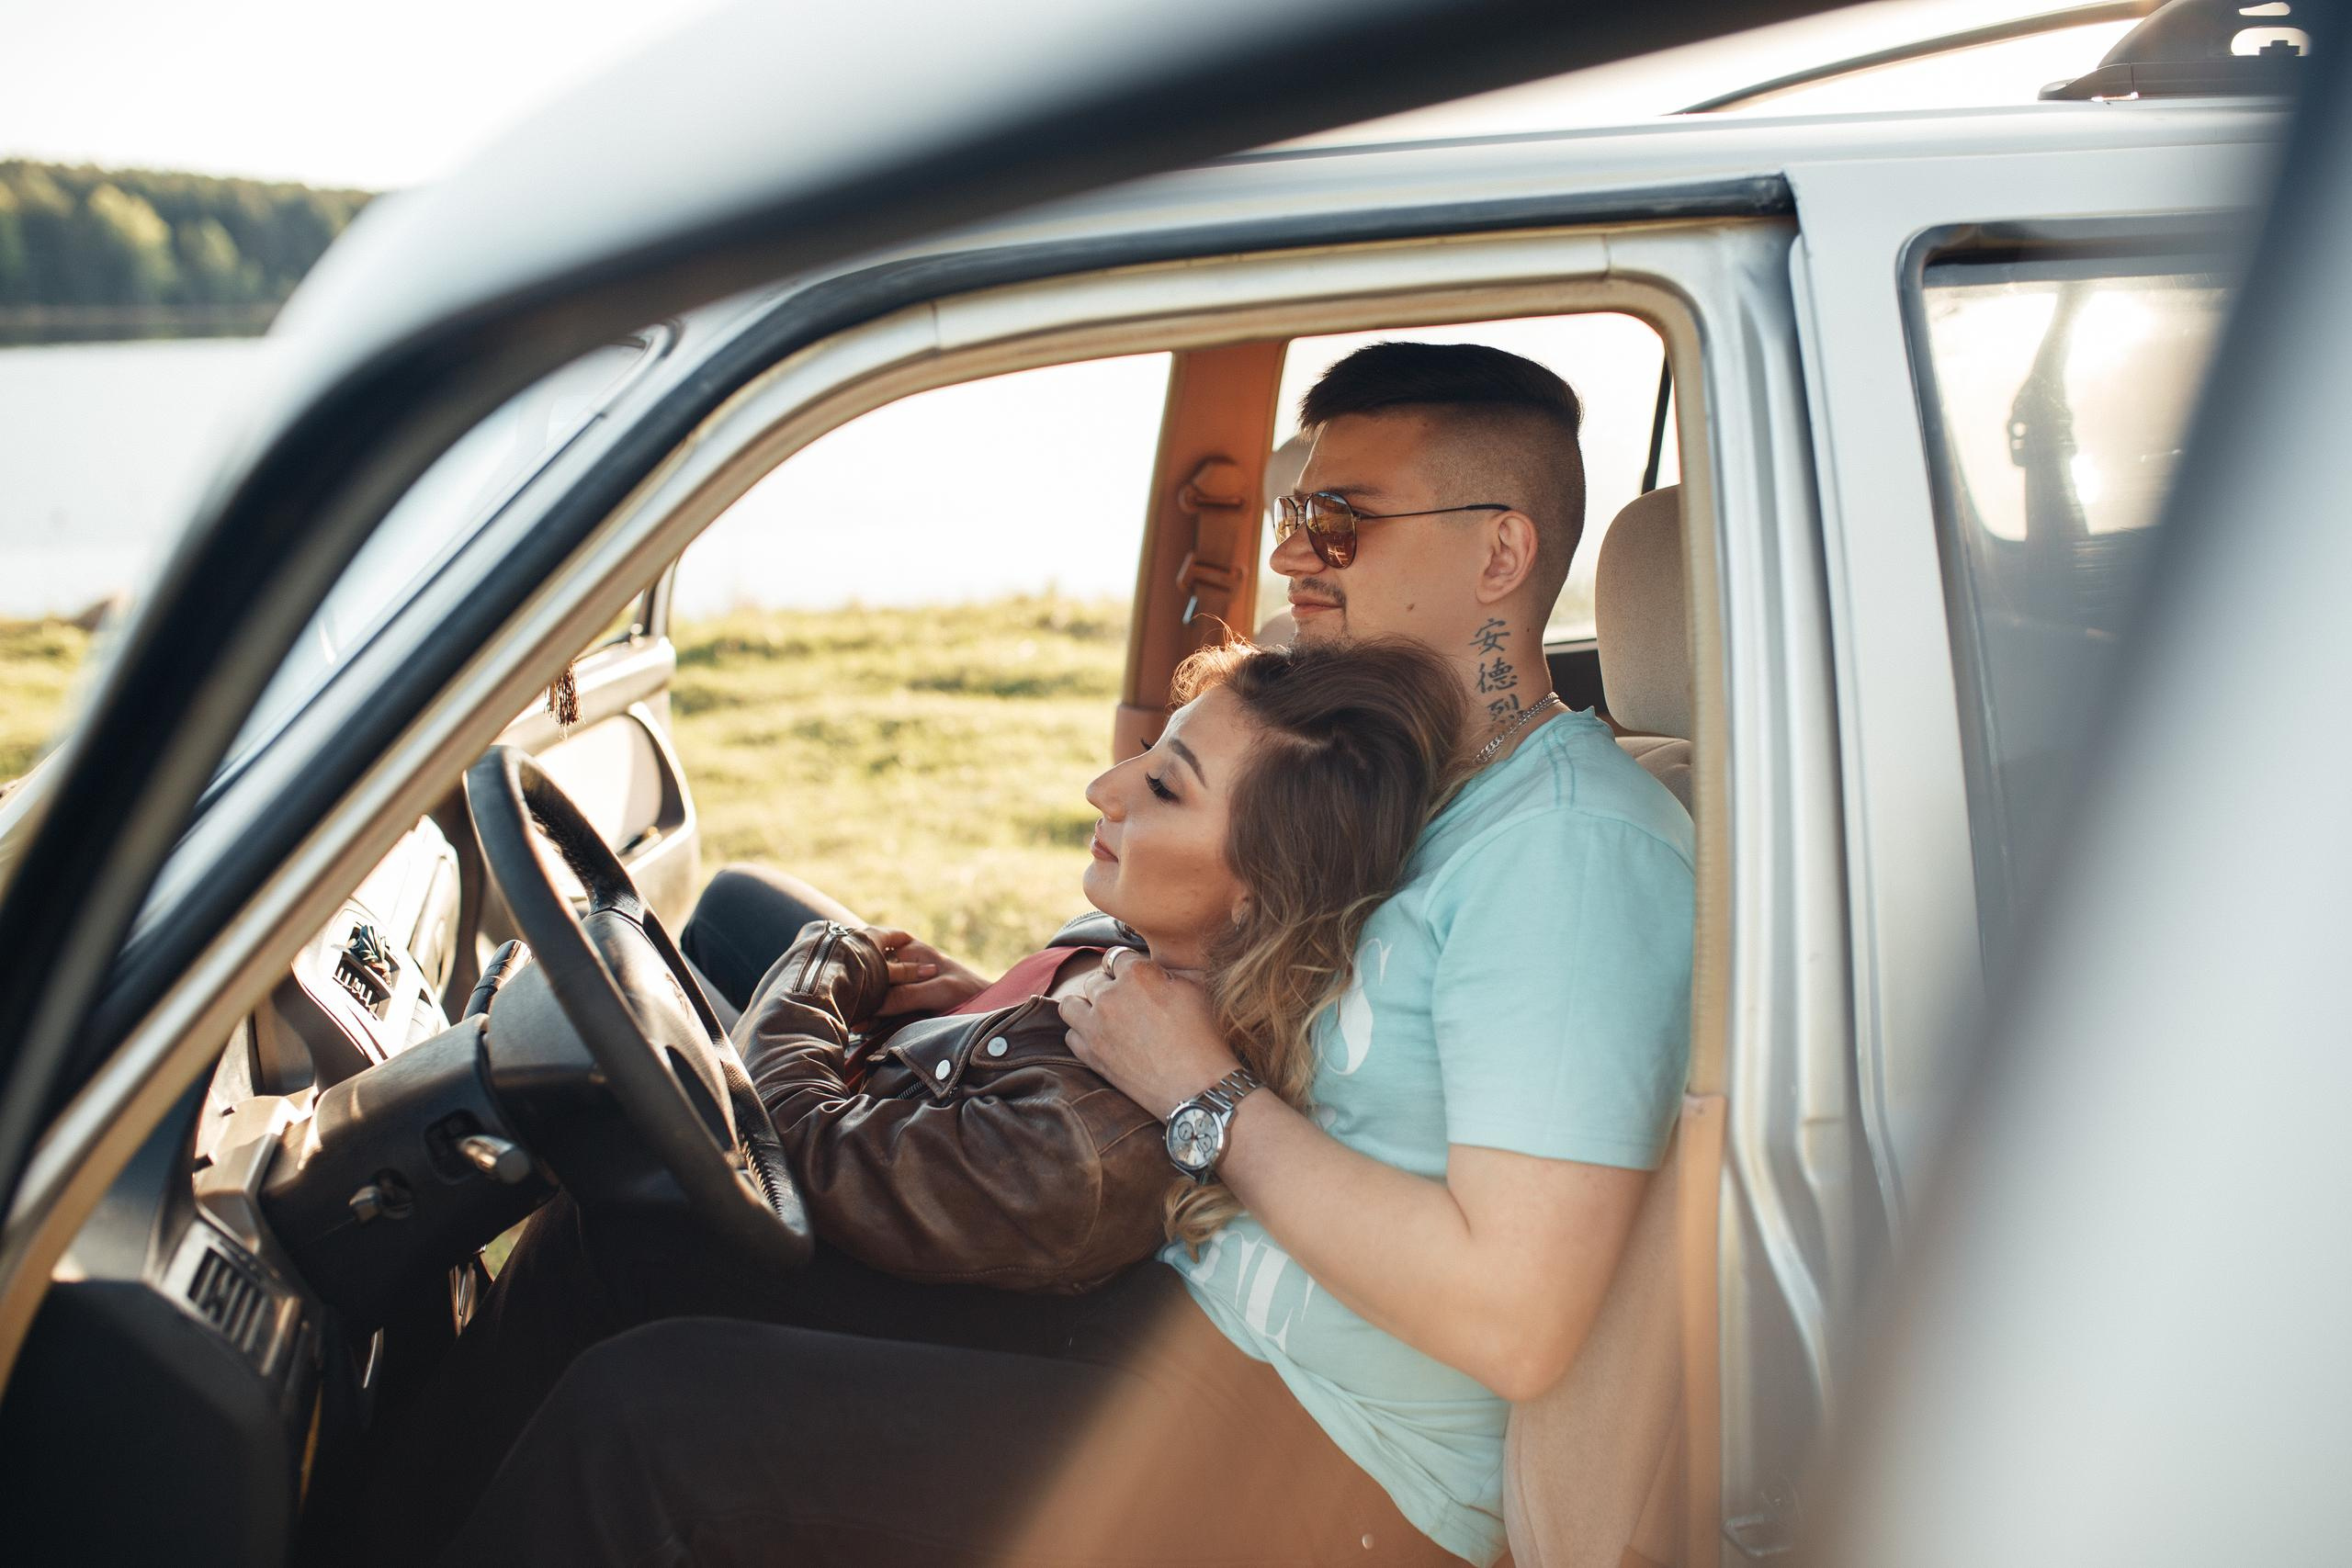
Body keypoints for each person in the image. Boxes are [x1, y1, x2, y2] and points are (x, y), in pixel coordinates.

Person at [433, 342, 1696, 1567]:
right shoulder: (1418, 783)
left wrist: (1203, 1095)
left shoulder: (1573, 850)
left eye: (1340, 517)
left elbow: (1515, 1316)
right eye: (1295, 507)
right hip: (1177, 1314)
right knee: (610, 1249)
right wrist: (1018, 991)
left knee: (651, 1421)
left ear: (1501, 549)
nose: (1287, 550)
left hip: (1338, 1469)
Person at [358, 636, 1464, 1563]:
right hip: (967, 1191)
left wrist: (823, 963)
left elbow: (797, 1148)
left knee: (638, 1403)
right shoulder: (1134, 958)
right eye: (1145, 756)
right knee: (595, 1245)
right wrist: (982, 1003)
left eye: (1165, 787)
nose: (1104, 788)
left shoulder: (1099, 1133)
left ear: (1259, 891)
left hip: (1038, 1284)